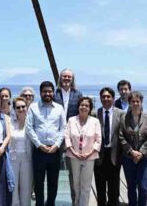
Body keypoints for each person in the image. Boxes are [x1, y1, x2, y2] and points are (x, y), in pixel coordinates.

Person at [26, 81, 66, 206]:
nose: (47, 93)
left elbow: (63, 128)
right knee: (38, 182)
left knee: (53, 182)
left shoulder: (59, 108)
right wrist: (39, 145)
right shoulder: (33, 107)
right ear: (40, 93)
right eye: (45, 91)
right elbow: (29, 128)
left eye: (49, 91)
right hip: (39, 151)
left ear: (53, 92)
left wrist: (57, 145)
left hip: (55, 151)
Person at [64, 97, 101, 206]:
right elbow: (67, 137)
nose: (84, 107)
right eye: (82, 105)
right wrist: (73, 152)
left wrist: (89, 153)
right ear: (78, 106)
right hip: (74, 156)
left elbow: (98, 139)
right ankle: (76, 203)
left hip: (89, 157)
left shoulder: (95, 121)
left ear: (90, 108)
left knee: (86, 185)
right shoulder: (71, 120)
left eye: (86, 105)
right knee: (76, 184)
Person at [53, 68, 83, 205]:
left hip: (72, 136)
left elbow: (82, 114)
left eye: (69, 77)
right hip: (56, 136)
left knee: (73, 172)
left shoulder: (78, 94)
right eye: (64, 76)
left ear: (72, 79)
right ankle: (52, 200)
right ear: (60, 78)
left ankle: (74, 200)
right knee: (53, 170)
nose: (66, 79)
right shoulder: (54, 94)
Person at [119, 91, 147, 206]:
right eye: (133, 101)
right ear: (129, 103)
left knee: (143, 187)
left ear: (141, 102)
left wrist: (141, 153)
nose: (135, 103)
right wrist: (131, 152)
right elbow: (121, 136)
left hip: (145, 158)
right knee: (131, 186)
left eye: (137, 101)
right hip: (128, 158)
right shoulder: (123, 118)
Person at [94, 87, 124, 206]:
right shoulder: (94, 114)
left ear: (113, 98)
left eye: (108, 96)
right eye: (103, 97)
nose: (106, 99)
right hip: (99, 155)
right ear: (100, 98)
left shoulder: (121, 114)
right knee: (100, 187)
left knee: (114, 188)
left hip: (115, 154)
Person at [9, 97, 33, 206]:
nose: (21, 109)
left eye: (23, 106)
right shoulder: (9, 122)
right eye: (18, 107)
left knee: (26, 187)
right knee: (13, 186)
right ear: (14, 109)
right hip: (13, 158)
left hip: (27, 158)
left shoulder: (31, 122)